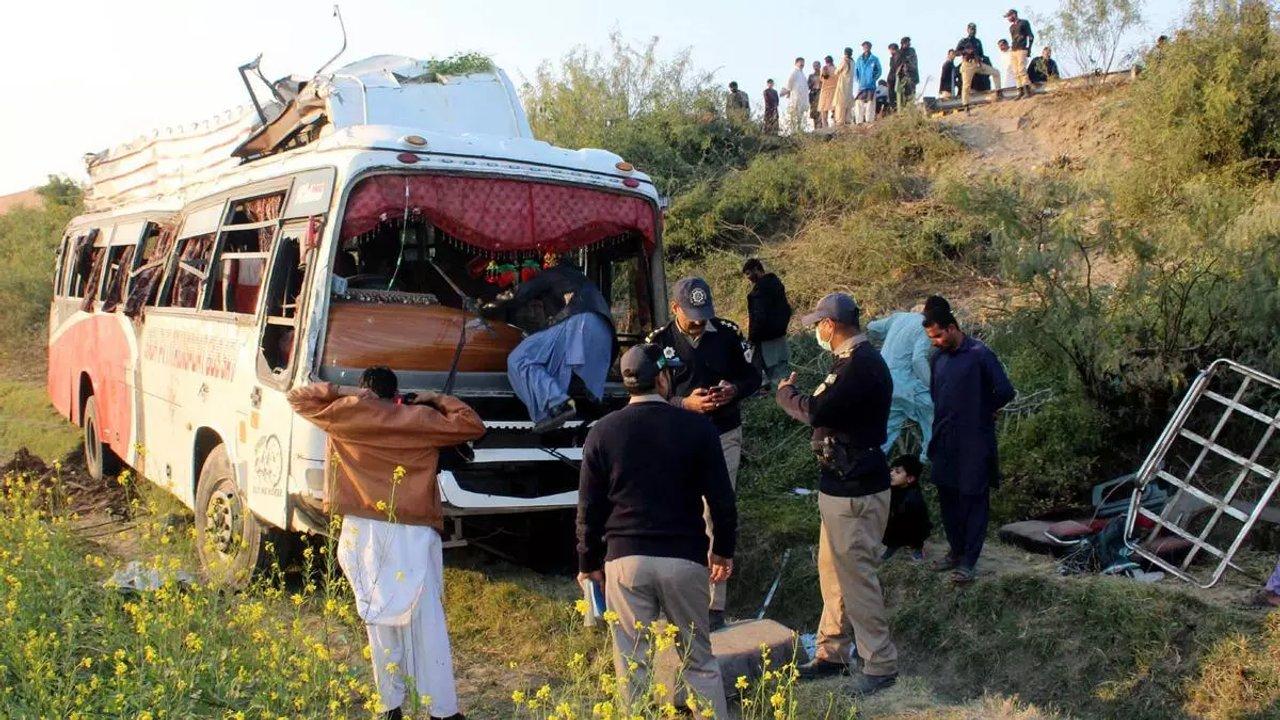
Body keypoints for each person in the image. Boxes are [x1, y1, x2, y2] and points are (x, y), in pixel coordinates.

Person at [288, 367, 485, 720]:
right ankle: (441, 710)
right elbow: (472, 424)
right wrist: (435, 398)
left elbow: (298, 397)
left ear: (365, 389)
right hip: (413, 528)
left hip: (361, 527)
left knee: (377, 618)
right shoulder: (418, 417)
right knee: (427, 621)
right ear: (397, 394)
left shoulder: (345, 413)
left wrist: (347, 391)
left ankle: (389, 706)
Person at [577, 343, 737, 720]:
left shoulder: (602, 432)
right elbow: (722, 501)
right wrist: (722, 550)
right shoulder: (698, 427)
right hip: (684, 559)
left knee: (633, 665)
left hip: (625, 560)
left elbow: (588, 509)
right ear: (663, 378)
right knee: (699, 660)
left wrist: (588, 562)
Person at [776, 293, 899, 696]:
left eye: (818, 324)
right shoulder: (854, 363)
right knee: (832, 573)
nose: (816, 331)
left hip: (855, 488)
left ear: (830, 325)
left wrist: (785, 397)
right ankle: (833, 651)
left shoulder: (859, 367)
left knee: (857, 578)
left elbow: (816, 411)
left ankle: (879, 663)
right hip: (842, 484)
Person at [648, 277, 761, 628]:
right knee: (677, 511)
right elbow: (641, 390)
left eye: (704, 314)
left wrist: (734, 389)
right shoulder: (658, 343)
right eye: (692, 315)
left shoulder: (727, 333)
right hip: (677, 437)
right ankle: (677, 593)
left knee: (716, 510)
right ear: (675, 309)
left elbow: (753, 376)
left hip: (723, 433)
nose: (699, 322)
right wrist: (683, 403)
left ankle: (715, 604)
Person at [922, 296, 1015, 584]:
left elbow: (1005, 391)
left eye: (938, 335)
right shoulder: (937, 358)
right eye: (930, 337)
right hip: (945, 440)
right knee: (948, 497)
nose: (934, 341)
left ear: (951, 328)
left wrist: (982, 410)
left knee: (973, 500)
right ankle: (955, 551)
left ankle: (969, 561)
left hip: (974, 442)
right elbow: (938, 397)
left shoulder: (979, 354)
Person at [496, 253, 614, 432]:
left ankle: (558, 403)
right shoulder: (582, 281)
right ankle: (556, 409)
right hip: (605, 334)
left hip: (580, 324)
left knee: (519, 358)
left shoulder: (554, 273)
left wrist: (488, 306)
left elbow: (519, 293)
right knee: (549, 368)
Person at [867, 308, 933, 456]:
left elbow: (872, 327)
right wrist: (932, 385)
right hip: (905, 385)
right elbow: (918, 360)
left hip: (882, 384)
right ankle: (927, 462)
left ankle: (868, 468)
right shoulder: (924, 327)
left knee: (886, 432)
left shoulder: (898, 318)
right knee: (933, 415)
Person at [743, 258, 792, 388]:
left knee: (775, 377)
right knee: (784, 373)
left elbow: (759, 318)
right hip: (780, 336)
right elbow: (787, 309)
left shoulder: (759, 292)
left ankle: (783, 401)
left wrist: (752, 338)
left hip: (765, 341)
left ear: (757, 270)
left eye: (749, 273)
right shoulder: (776, 284)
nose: (748, 277)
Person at [884, 455, 932, 561]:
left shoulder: (914, 498)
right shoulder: (893, 489)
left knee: (913, 527)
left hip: (915, 527)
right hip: (895, 524)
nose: (891, 474)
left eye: (897, 472)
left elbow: (921, 522)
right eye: (891, 470)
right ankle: (892, 545)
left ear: (910, 478)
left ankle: (917, 547)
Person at [957, 22, 1002, 106]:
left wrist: (980, 59)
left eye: (974, 29)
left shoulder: (978, 41)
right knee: (966, 85)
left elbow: (981, 54)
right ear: (967, 30)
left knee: (996, 72)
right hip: (968, 64)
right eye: (971, 29)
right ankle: (965, 104)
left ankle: (998, 92)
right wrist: (965, 51)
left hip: (978, 63)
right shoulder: (964, 41)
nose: (973, 31)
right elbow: (956, 53)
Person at [1006, 8, 1035, 98]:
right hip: (1013, 49)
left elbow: (1030, 36)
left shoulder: (1024, 23)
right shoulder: (1011, 27)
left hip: (1022, 48)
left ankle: (1027, 90)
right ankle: (1020, 91)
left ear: (1014, 14)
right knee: (1015, 71)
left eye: (1009, 16)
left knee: (1021, 69)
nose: (1008, 18)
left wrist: (1029, 48)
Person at [854, 41, 882, 125]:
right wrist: (858, 80)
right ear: (863, 47)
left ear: (870, 47)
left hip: (871, 85)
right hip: (862, 85)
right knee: (859, 102)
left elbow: (879, 71)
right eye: (864, 46)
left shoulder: (874, 58)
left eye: (868, 46)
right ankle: (859, 121)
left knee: (870, 103)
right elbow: (856, 72)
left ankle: (869, 121)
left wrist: (873, 78)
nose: (866, 48)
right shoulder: (859, 59)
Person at [781, 57, 811, 133]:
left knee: (800, 115)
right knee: (794, 114)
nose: (802, 64)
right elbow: (789, 82)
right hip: (795, 96)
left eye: (803, 62)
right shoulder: (794, 72)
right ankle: (793, 131)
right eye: (800, 62)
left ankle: (799, 130)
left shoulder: (802, 74)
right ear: (796, 63)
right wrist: (787, 91)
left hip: (802, 97)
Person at [896, 37, 920, 108]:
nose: (909, 44)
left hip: (912, 76)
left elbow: (914, 62)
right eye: (907, 42)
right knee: (903, 95)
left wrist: (908, 62)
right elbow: (897, 65)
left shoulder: (912, 50)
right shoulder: (899, 52)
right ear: (903, 43)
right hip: (902, 77)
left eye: (909, 42)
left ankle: (911, 109)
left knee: (912, 94)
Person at [834, 47, 855, 126]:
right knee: (848, 102)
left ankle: (840, 120)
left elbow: (836, 72)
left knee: (840, 102)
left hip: (842, 85)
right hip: (850, 86)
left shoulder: (844, 61)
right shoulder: (853, 62)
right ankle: (847, 119)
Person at [818, 55, 837, 127]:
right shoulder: (836, 69)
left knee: (824, 110)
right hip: (834, 91)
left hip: (825, 91)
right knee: (834, 109)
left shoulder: (824, 68)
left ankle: (825, 126)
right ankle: (835, 125)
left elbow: (823, 79)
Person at [809, 59, 825, 129]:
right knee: (814, 112)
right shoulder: (811, 76)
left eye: (817, 65)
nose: (815, 67)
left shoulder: (823, 75)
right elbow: (808, 86)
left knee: (821, 111)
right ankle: (816, 128)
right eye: (814, 66)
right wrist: (812, 84)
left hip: (821, 93)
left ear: (820, 66)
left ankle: (821, 127)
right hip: (813, 94)